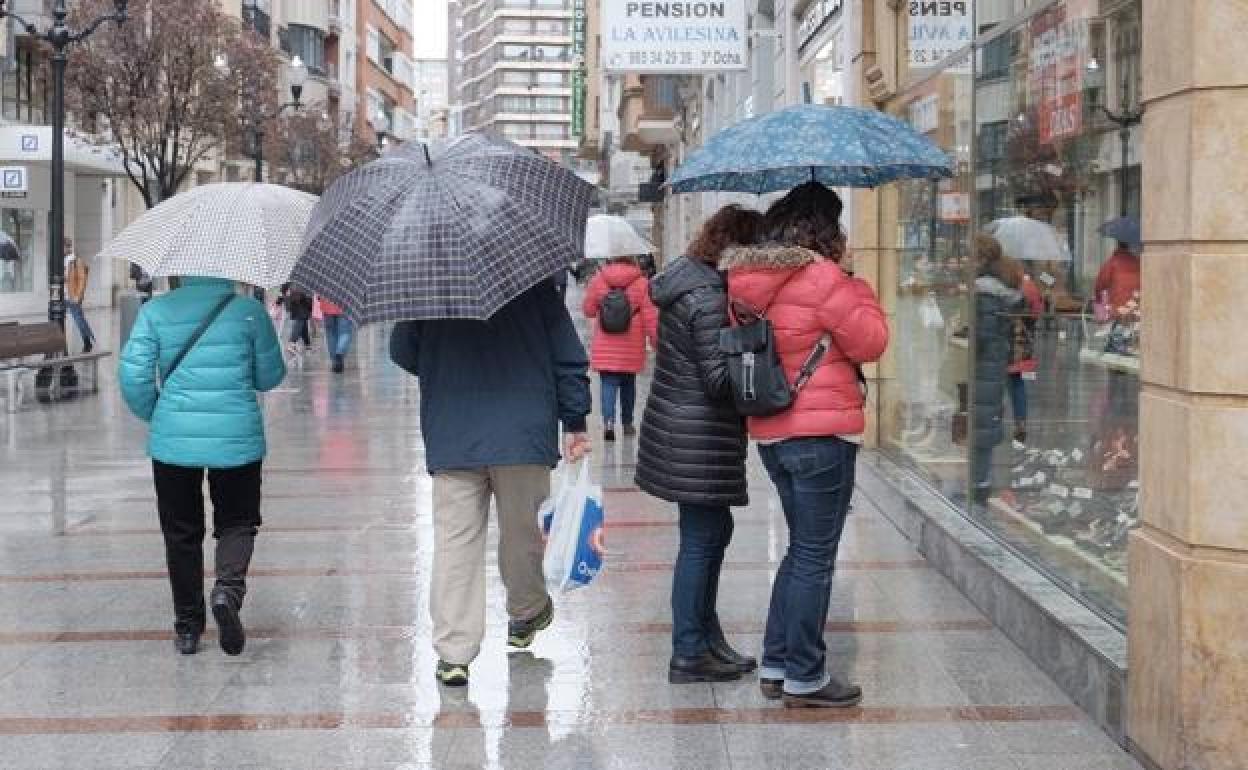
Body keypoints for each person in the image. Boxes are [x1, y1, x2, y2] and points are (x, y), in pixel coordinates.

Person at [721, 182, 889, 708]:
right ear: (823, 228)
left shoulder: (749, 281)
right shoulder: (823, 277)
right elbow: (871, 342)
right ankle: (806, 675)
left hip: (773, 431)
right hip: (821, 432)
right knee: (816, 555)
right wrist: (857, 288)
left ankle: (777, 662)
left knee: (800, 550)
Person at [389, 278, 592, 688]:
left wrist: (444, 365)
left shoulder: (427, 286)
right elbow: (567, 357)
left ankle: (454, 653)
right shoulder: (534, 285)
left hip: (452, 432)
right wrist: (575, 420)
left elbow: (403, 352)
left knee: (455, 544)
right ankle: (527, 610)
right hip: (523, 430)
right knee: (523, 535)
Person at [117, 277, 286, 656]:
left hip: (173, 439)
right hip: (236, 436)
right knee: (238, 520)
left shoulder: (156, 311)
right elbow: (270, 376)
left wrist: (159, 414)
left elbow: (133, 375)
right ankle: (227, 590)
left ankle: (189, 626)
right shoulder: (248, 312)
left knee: (180, 531)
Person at [635, 205, 762, 685]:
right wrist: (752, 340)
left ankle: (708, 639)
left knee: (711, 534)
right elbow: (716, 376)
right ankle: (689, 650)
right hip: (698, 433)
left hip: (684, 429)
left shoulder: (687, 280)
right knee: (700, 541)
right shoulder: (709, 295)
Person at [971, 234, 1025, 504]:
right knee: (987, 421)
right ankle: (982, 480)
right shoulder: (1001, 289)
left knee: (980, 425)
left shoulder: (984, 292)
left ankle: (979, 485)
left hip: (984, 365)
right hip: (995, 362)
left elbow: (982, 334)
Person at [581, 255, 658, 441]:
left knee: (608, 384)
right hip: (631, 345)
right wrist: (656, 341)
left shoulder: (598, 280)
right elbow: (650, 317)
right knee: (628, 384)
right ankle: (627, 423)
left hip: (605, 343)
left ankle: (608, 422)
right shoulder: (642, 283)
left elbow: (588, 310)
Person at [1007, 267, 1044, 446]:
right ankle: (1020, 422)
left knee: (995, 382)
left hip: (1005, 342)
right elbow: (1038, 311)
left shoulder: (1005, 285)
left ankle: (993, 418)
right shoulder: (1031, 287)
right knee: (1017, 383)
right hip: (1023, 345)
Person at [64, 239, 96, 353]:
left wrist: (78, 295)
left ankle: (87, 341)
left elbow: (82, 279)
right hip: (62, 296)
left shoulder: (77, 261)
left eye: (64, 247)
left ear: (68, 247)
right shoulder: (62, 260)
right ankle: (61, 344)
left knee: (78, 320)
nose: (63, 250)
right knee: (57, 321)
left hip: (73, 296)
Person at [1094, 239, 1141, 316]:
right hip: (1136, 307)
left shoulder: (1111, 263)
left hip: (1117, 309)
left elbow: (1100, 286)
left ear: (1118, 246)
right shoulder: (1138, 262)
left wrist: (1099, 300)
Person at [318, 296, 353, 373]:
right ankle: (339, 354)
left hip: (327, 304)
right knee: (345, 332)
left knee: (330, 333)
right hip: (345, 305)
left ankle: (334, 361)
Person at [279, 283, 314, 354]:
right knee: (300, 320)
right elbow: (284, 290)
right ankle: (292, 343)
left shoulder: (291, 277)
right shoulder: (302, 279)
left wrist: (281, 299)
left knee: (303, 323)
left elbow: (283, 290)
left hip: (296, 301)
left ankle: (307, 345)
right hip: (299, 301)